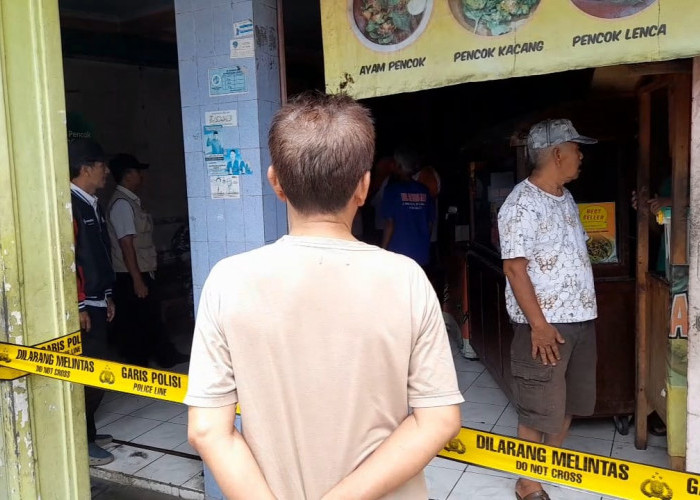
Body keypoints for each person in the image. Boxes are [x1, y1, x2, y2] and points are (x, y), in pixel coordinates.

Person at [185, 92, 463, 499]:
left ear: (275, 182)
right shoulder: (406, 279)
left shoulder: (228, 281)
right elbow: (438, 420)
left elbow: (208, 430)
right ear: (364, 186)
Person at [497, 119, 598, 500]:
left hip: (580, 321)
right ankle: (528, 483)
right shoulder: (521, 204)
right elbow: (514, 267)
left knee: (570, 402)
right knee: (538, 408)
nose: (581, 155)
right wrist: (538, 326)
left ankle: (546, 465)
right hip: (545, 327)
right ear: (558, 153)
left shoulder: (565, 197)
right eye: (576, 148)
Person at [107, 153, 189, 368]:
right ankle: (140, 363)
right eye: (137, 171)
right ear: (127, 175)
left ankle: (161, 355)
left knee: (148, 316)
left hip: (141, 269)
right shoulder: (122, 205)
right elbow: (126, 245)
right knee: (138, 320)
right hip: (131, 273)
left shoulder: (131, 202)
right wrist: (137, 280)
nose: (141, 176)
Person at [69, 138, 116, 466]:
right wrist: (80, 304)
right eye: (101, 166)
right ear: (85, 168)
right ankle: (81, 442)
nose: (106, 171)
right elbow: (70, 260)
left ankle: (90, 431)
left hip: (100, 299)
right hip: (86, 306)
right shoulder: (69, 205)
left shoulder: (92, 203)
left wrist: (108, 295)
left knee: (98, 366)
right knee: (92, 370)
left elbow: (97, 254)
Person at [381, 147, 435, 269]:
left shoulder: (392, 191)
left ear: (399, 166)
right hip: (421, 253)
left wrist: (383, 251)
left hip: (398, 254)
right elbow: (430, 223)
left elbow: (390, 224)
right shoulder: (424, 191)